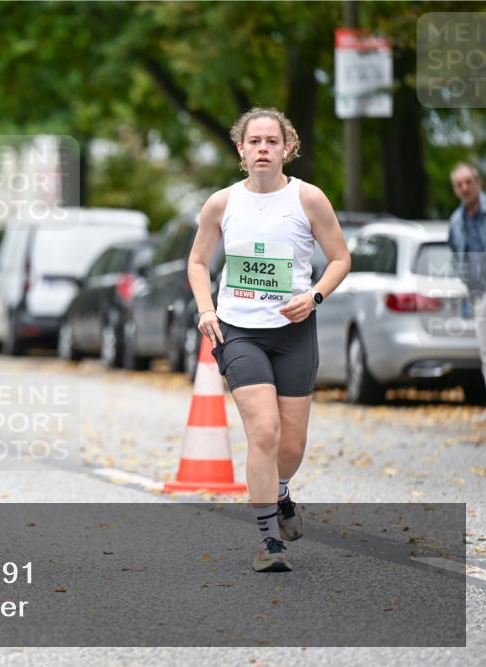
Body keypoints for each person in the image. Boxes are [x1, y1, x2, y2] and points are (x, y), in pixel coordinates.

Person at [187, 108, 350, 573]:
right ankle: (268, 542)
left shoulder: (309, 199)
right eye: (253, 141)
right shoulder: (222, 203)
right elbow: (198, 262)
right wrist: (206, 309)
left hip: (294, 331)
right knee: (263, 431)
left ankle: (280, 491)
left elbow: (340, 258)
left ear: (286, 148)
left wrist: (314, 296)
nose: (262, 148)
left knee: (290, 447)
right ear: (241, 150)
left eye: (271, 141)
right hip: (238, 331)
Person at [447, 162, 486, 420]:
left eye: (468, 182)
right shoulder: (456, 220)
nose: (465, 188)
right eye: (459, 184)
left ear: (478, 183)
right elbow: (454, 254)